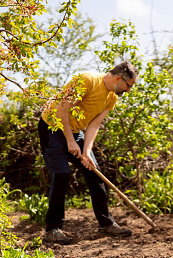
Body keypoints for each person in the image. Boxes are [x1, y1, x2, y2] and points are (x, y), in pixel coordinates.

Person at [38, 61, 138, 244]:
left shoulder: (111, 98)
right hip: (52, 127)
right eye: (128, 86)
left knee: (95, 173)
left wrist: (86, 151)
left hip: (76, 132)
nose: (128, 91)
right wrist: (69, 141)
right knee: (61, 174)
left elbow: (94, 125)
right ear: (118, 78)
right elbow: (62, 108)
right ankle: (53, 229)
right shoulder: (87, 80)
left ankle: (106, 224)